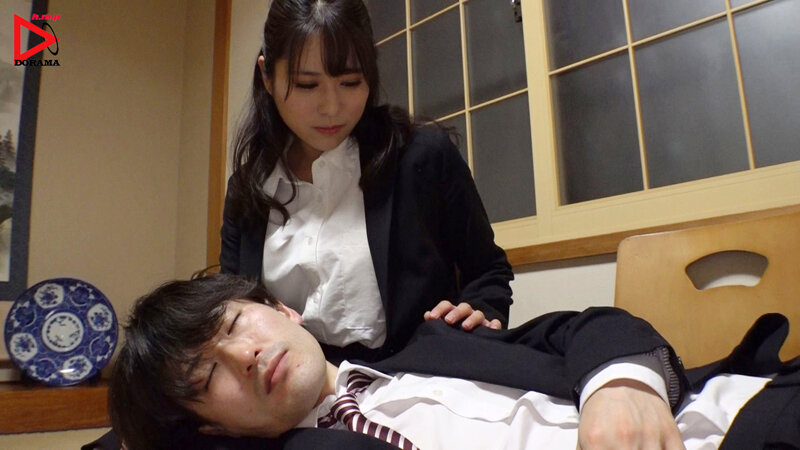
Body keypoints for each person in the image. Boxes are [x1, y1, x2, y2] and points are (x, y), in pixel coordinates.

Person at [102, 275, 795, 450]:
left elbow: (587, 327)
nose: (245, 355)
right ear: (213, 429)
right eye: (207, 377)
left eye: (232, 324)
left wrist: (619, 389)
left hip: (739, 411)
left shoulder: (434, 339)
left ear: (281, 309)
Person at [219, 0, 513, 363]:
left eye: (350, 82)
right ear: (267, 76)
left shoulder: (420, 157)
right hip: (302, 389)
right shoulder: (247, 190)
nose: (331, 107)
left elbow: (487, 271)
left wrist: (481, 310)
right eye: (307, 85)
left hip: (419, 380)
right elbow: (233, 309)